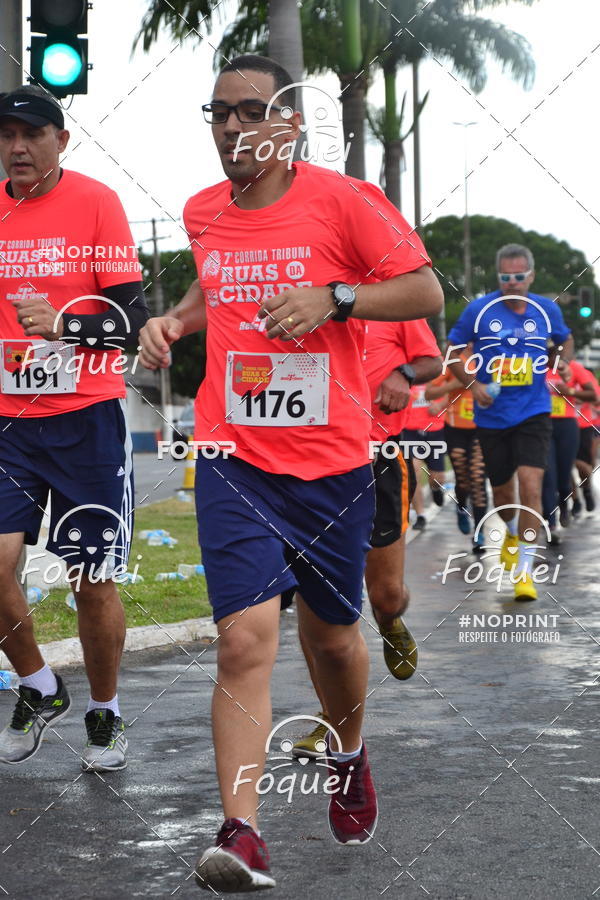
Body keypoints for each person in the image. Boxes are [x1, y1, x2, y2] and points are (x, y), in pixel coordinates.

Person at [138, 55, 443, 893]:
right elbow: (215, 290)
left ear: (290, 124)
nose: (232, 128)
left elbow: (421, 290)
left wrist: (336, 299)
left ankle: (349, 754)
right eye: (218, 113)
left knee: (335, 639)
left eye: (249, 112)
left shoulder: (345, 201)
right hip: (234, 454)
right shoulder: (205, 211)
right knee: (243, 640)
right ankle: (242, 833)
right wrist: (172, 319)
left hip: (333, 461)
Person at [0, 86, 148, 771]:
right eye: (6, 135)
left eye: (32, 133)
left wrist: (61, 325)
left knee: (90, 578)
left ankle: (105, 713)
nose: (17, 146)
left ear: (62, 140)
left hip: (85, 419)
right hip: (8, 420)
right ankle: (38, 684)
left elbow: (129, 325)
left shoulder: (96, 203)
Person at [292, 319, 441, 758]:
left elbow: (432, 360)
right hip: (313, 463)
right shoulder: (306, 299)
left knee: (387, 596)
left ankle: (391, 621)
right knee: (315, 598)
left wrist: (405, 373)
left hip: (378, 460)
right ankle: (330, 718)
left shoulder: (396, 301)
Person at [446, 243, 573, 601]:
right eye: (506, 277)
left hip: (534, 411)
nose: (513, 283)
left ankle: (525, 570)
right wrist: (475, 385)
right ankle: (514, 535)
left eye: (519, 276)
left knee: (531, 488)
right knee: (503, 495)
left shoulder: (546, 309)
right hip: (492, 416)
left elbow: (565, 341)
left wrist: (562, 361)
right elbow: (453, 351)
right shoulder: (478, 311)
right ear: (498, 277)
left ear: (531, 276)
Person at [425, 350, 488, 553]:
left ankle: (479, 532)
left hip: (484, 427)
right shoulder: (453, 361)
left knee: (478, 479)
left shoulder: (492, 358)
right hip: (456, 430)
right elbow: (429, 393)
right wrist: (456, 384)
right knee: (463, 480)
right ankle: (461, 507)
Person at [542, 358, 597, 540]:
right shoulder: (534, 365)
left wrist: (570, 391)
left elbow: (594, 396)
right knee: (548, 475)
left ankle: (569, 501)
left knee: (565, 476)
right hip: (542, 424)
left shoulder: (573, 367)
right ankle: (551, 522)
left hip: (570, 425)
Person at [403, 382, 447, 530]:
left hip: (435, 430)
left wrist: (440, 406)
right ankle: (420, 514)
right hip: (411, 431)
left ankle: (435, 489)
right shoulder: (407, 372)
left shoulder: (440, 371)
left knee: (437, 478)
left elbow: (453, 391)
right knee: (413, 470)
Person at [571, 365, 600, 515]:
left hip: (585, 425)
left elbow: (596, 398)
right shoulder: (551, 373)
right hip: (561, 425)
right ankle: (575, 500)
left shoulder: (585, 375)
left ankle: (587, 490)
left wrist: (574, 394)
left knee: (585, 464)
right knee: (564, 468)